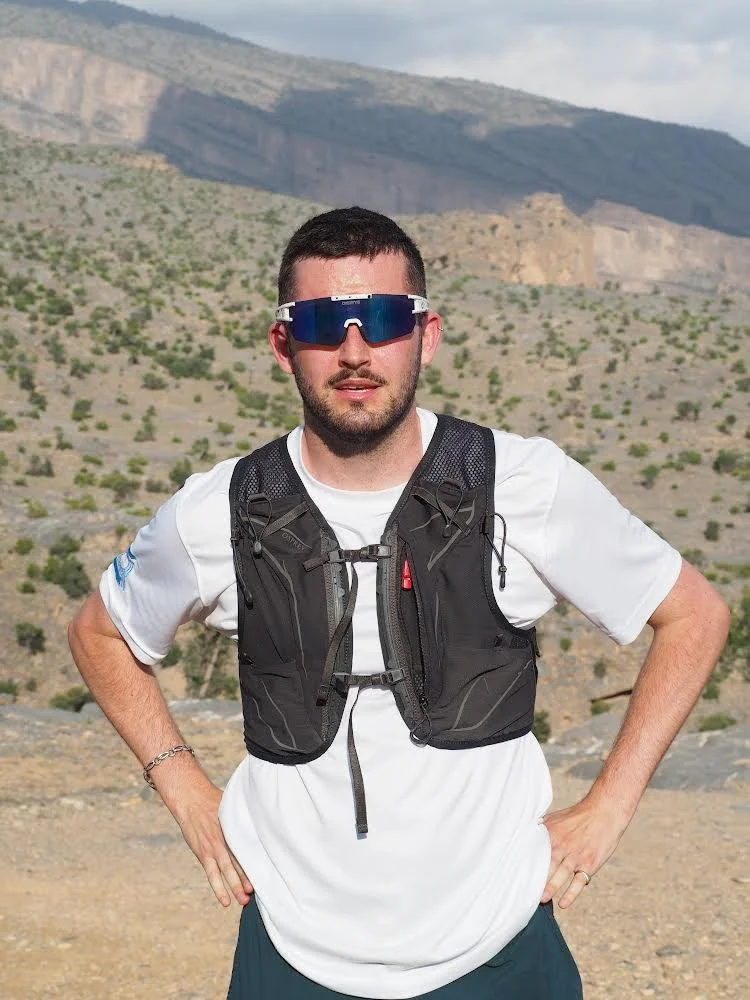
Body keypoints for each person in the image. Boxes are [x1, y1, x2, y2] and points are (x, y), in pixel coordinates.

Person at [67, 206, 730, 1000]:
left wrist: (611, 807)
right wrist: (181, 785)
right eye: (322, 322)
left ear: (427, 333)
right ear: (284, 345)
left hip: (497, 949)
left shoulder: (524, 483)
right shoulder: (221, 509)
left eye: (383, 318)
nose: (354, 350)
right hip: (291, 952)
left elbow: (693, 615)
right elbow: (99, 634)